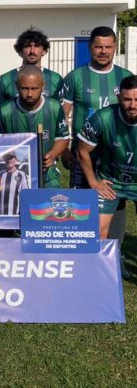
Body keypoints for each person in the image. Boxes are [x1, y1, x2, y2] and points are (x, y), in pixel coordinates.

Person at [77, 76, 136, 278]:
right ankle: (101, 276)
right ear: (119, 97)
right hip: (111, 180)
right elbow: (82, 150)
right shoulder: (103, 118)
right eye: (128, 100)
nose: (132, 105)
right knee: (100, 231)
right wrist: (93, 182)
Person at [62, 26, 133, 187]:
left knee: (114, 204)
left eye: (108, 47)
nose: (103, 51)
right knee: (81, 204)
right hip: (82, 152)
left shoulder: (126, 77)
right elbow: (63, 116)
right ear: (90, 47)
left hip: (116, 156)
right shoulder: (75, 77)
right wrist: (64, 148)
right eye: (98, 46)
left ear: (115, 47)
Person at [0, 66, 69, 188]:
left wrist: (52, 154)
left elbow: (63, 138)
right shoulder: (4, 111)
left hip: (47, 173)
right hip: (14, 173)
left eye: (34, 88)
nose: (29, 94)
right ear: (17, 86)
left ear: (43, 86)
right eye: (24, 88)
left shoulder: (54, 107)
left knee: (51, 205)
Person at [0, 28, 63, 108]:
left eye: (37, 46)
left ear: (44, 51)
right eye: (28, 46)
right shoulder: (5, 80)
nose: (32, 51)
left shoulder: (56, 79)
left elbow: (61, 112)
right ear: (20, 51)